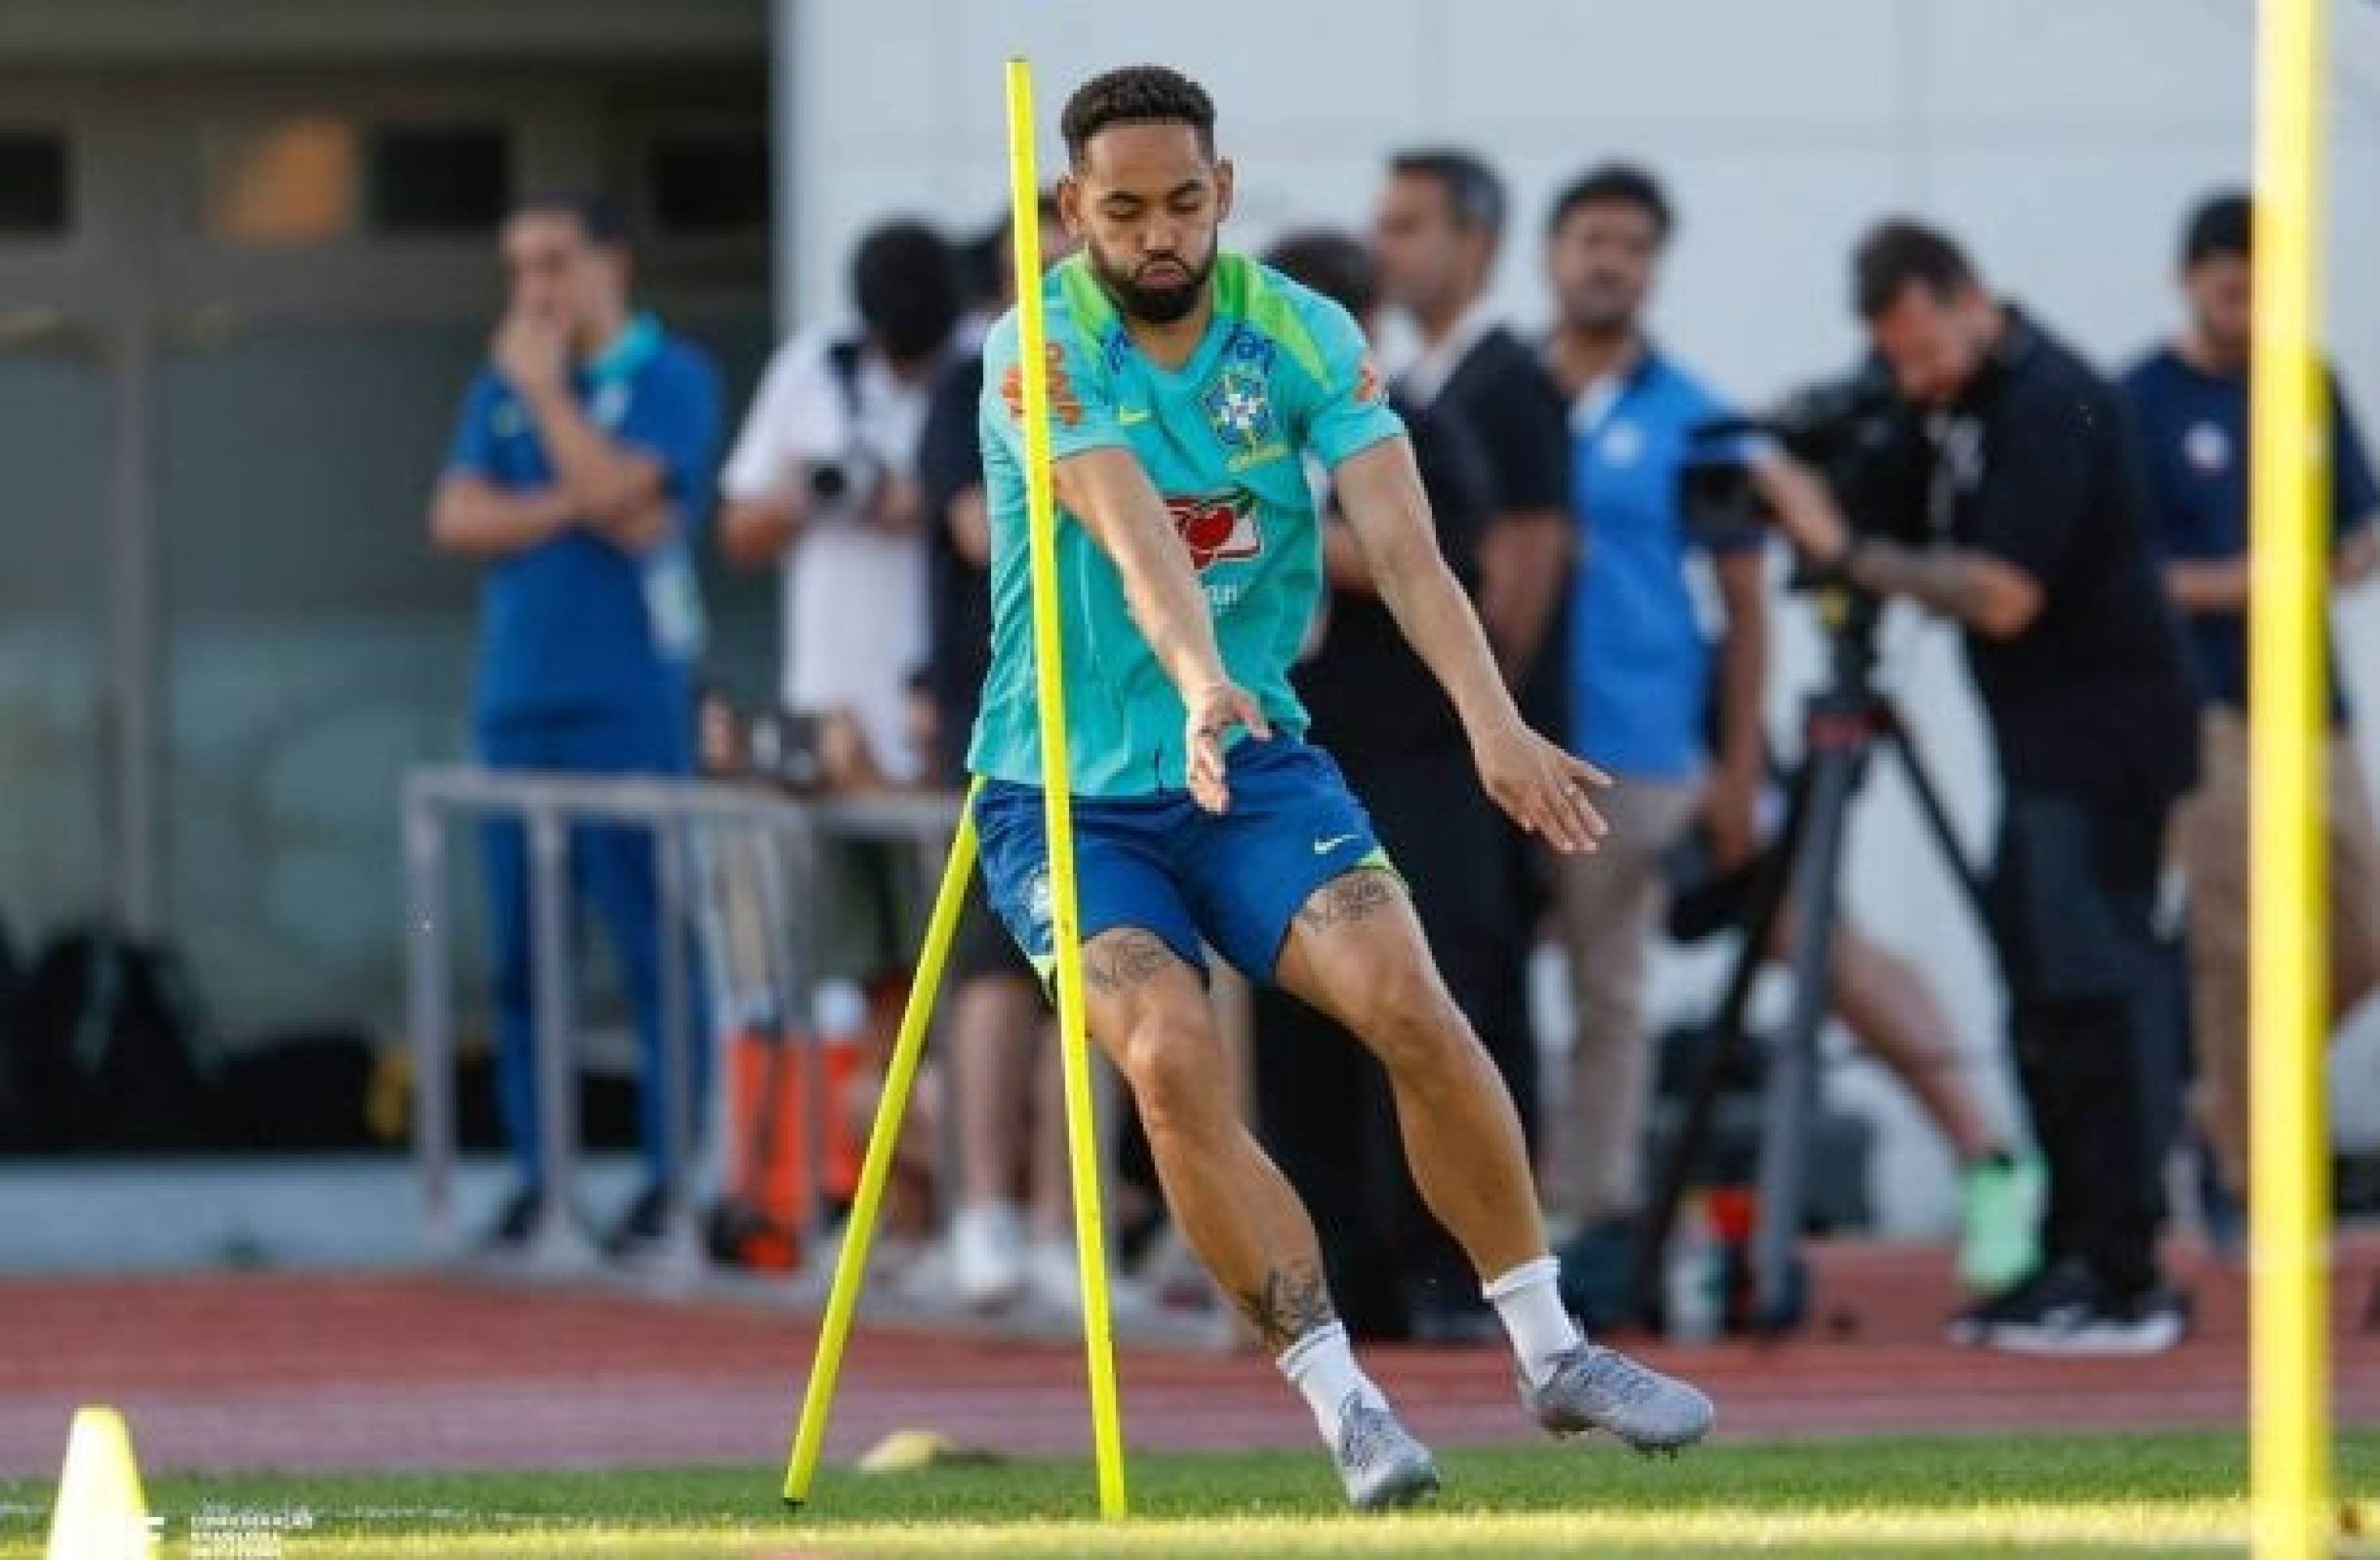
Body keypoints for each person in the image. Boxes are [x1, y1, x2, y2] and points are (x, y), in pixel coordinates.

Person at [969, 66, 1713, 1509]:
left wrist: (1493, 722)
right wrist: (1196, 678)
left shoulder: (1305, 333)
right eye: (1121, 212)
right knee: (1169, 1057)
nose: (1156, 236)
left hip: (1255, 763)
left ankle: (1551, 1347)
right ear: (1072, 210)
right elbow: (1132, 533)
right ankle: (1345, 1402)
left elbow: (1410, 548)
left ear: (1223, 191)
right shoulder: (1038, 345)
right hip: (1068, 792)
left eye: (1182, 202)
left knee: (1407, 997)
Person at [1537, 166, 2036, 1299]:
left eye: (1631, 244)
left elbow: (1746, 605)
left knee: (1801, 942)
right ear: (1550, 253)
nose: (1608, 262)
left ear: (1654, 267)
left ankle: (1989, 1152)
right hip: (1518, 744)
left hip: (1653, 750)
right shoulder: (1511, 395)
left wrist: (1734, 766)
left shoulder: (1691, 414)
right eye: (1590, 239)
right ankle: (1544, 1211)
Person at [1769, 219, 2200, 1354]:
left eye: (1926, 353)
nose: (1917, 381)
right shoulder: (1960, 407)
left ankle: (2125, 1273)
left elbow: (2004, 595)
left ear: (1969, 298)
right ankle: (2072, 1253)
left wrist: (1842, 549)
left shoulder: (2053, 399)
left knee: (2094, 998)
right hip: (2041, 752)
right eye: (1897, 362)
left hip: (2105, 746)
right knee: (2044, 999)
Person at [429, 190, 724, 1257]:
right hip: (517, 705)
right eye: (518, 268)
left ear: (612, 262)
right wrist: (583, 503)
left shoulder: (670, 375)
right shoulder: (495, 386)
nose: (534, 290)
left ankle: (667, 1180)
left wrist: (552, 402)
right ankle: (537, 1178)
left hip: (628, 705)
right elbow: (457, 516)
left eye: (554, 262)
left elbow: (630, 493)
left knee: (649, 945)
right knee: (522, 957)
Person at [1246, 229, 1512, 1343]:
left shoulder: (1407, 427)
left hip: (1410, 765)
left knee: (1420, 1011)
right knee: (1296, 1027)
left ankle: (1449, 1267)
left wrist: (1285, 528)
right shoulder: (1235, 435)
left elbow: (1437, 562)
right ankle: (1338, 1271)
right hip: (1287, 763)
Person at [2123, 190, 2380, 1240]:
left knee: (2362, 928)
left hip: (2313, 704)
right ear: (2189, 280)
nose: (2245, 307)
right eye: (2229, 288)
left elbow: (2356, 524)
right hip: (2207, 706)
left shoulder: (2305, 381)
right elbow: (2133, 573)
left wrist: (2336, 559)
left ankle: (2229, 1089)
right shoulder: (2141, 399)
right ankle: (2241, 1164)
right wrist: (2251, 580)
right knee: (2232, 939)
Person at [720, 219, 965, 1114]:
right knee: (874, 979)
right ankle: (900, 1187)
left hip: (948, 721)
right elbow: (738, 529)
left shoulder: (982, 366)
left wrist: (927, 502)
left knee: (968, 978)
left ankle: (962, 1175)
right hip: (837, 725)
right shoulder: (811, 370)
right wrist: (812, 495)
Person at [1369, 146, 1571, 1169]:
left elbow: (1526, 567)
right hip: (1416, 748)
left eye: (1409, 226)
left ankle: (1496, 1229)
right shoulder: (1415, 382)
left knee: (1472, 986)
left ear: (1476, 240)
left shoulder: (1510, 382)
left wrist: (1487, 715)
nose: (1385, 247)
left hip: (1471, 756)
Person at [917, 193, 1085, 1314]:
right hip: (1007, 715)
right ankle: (984, 1208)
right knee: (993, 965)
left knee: (1102, 970)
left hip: (1118, 718)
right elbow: (980, 527)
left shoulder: (1128, 372)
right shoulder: (970, 380)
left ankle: (1068, 1220)